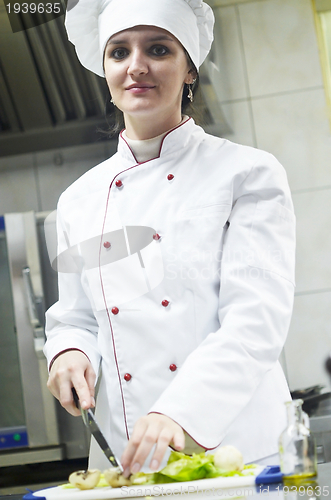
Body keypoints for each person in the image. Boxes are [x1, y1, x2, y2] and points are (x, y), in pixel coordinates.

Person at [44, 0, 296, 477]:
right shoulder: (78, 199)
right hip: (126, 455)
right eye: (118, 52)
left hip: (234, 448)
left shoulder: (246, 173)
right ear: (105, 70)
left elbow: (255, 318)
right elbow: (76, 318)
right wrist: (70, 350)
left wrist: (181, 409)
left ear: (189, 71)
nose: (136, 66)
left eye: (157, 49)